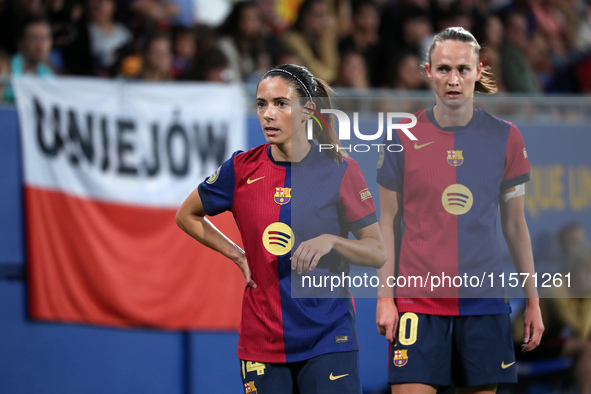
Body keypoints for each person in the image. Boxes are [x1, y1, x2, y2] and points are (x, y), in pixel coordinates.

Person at [176, 64, 386, 393]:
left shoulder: (340, 170)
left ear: (307, 112)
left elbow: (376, 251)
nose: (268, 114)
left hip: (329, 334)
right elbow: (187, 215)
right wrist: (238, 255)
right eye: (261, 104)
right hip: (262, 340)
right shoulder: (240, 169)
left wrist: (332, 241)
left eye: (280, 104)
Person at [375, 27, 544, 393]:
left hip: (483, 306)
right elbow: (385, 224)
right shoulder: (402, 137)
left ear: (479, 71)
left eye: (463, 70)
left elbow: (516, 227)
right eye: (443, 69)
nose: (453, 80)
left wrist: (533, 301)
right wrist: (385, 298)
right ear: (428, 72)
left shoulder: (506, 137)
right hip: (417, 306)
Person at [513, 245, 591, 394]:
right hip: (525, 343)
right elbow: (579, 327)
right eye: (587, 270)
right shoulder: (555, 289)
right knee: (588, 348)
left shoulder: (582, 294)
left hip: (550, 340)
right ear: (573, 269)